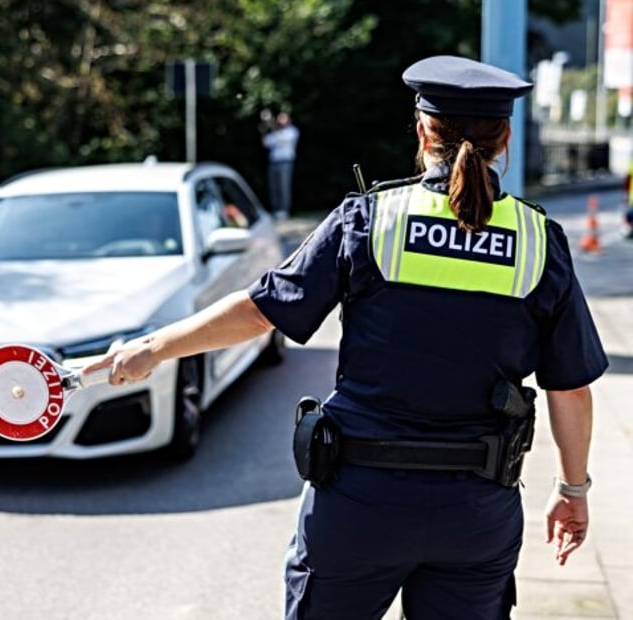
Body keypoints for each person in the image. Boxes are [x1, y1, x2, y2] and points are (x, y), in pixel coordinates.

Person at [83, 55, 607, 619]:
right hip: (475, 512)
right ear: (504, 138)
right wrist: (573, 490)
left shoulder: (369, 220)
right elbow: (570, 388)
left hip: (360, 504)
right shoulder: (537, 242)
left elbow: (263, 311)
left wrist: (152, 349)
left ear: (422, 129)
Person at [262, 111, 300, 220]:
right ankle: (276, 210)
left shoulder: (292, 131)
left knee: (284, 187)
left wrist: (271, 125)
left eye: (283, 118)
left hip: (285, 162)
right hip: (273, 162)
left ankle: (284, 211)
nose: (281, 121)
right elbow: (265, 143)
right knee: (274, 187)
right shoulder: (275, 133)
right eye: (280, 119)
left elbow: (282, 139)